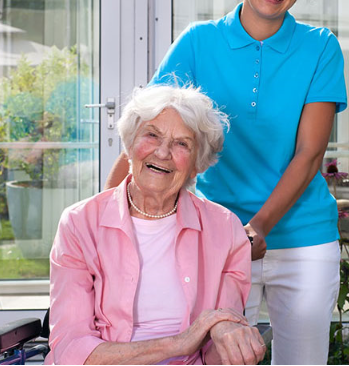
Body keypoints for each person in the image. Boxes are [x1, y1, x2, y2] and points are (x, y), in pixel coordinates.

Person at [106, 0, 347, 364]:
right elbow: (148, 132)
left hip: (303, 237)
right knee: (218, 358)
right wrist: (101, 216)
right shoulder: (198, 43)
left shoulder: (320, 48)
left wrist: (259, 227)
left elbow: (310, 153)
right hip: (213, 236)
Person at [47, 85, 266, 365]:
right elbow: (72, 350)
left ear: (197, 164)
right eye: (152, 135)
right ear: (130, 144)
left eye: (181, 143)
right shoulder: (79, 224)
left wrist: (226, 334)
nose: (162, 152)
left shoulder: (224, 228)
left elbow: (216, 347)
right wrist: (179, 343)